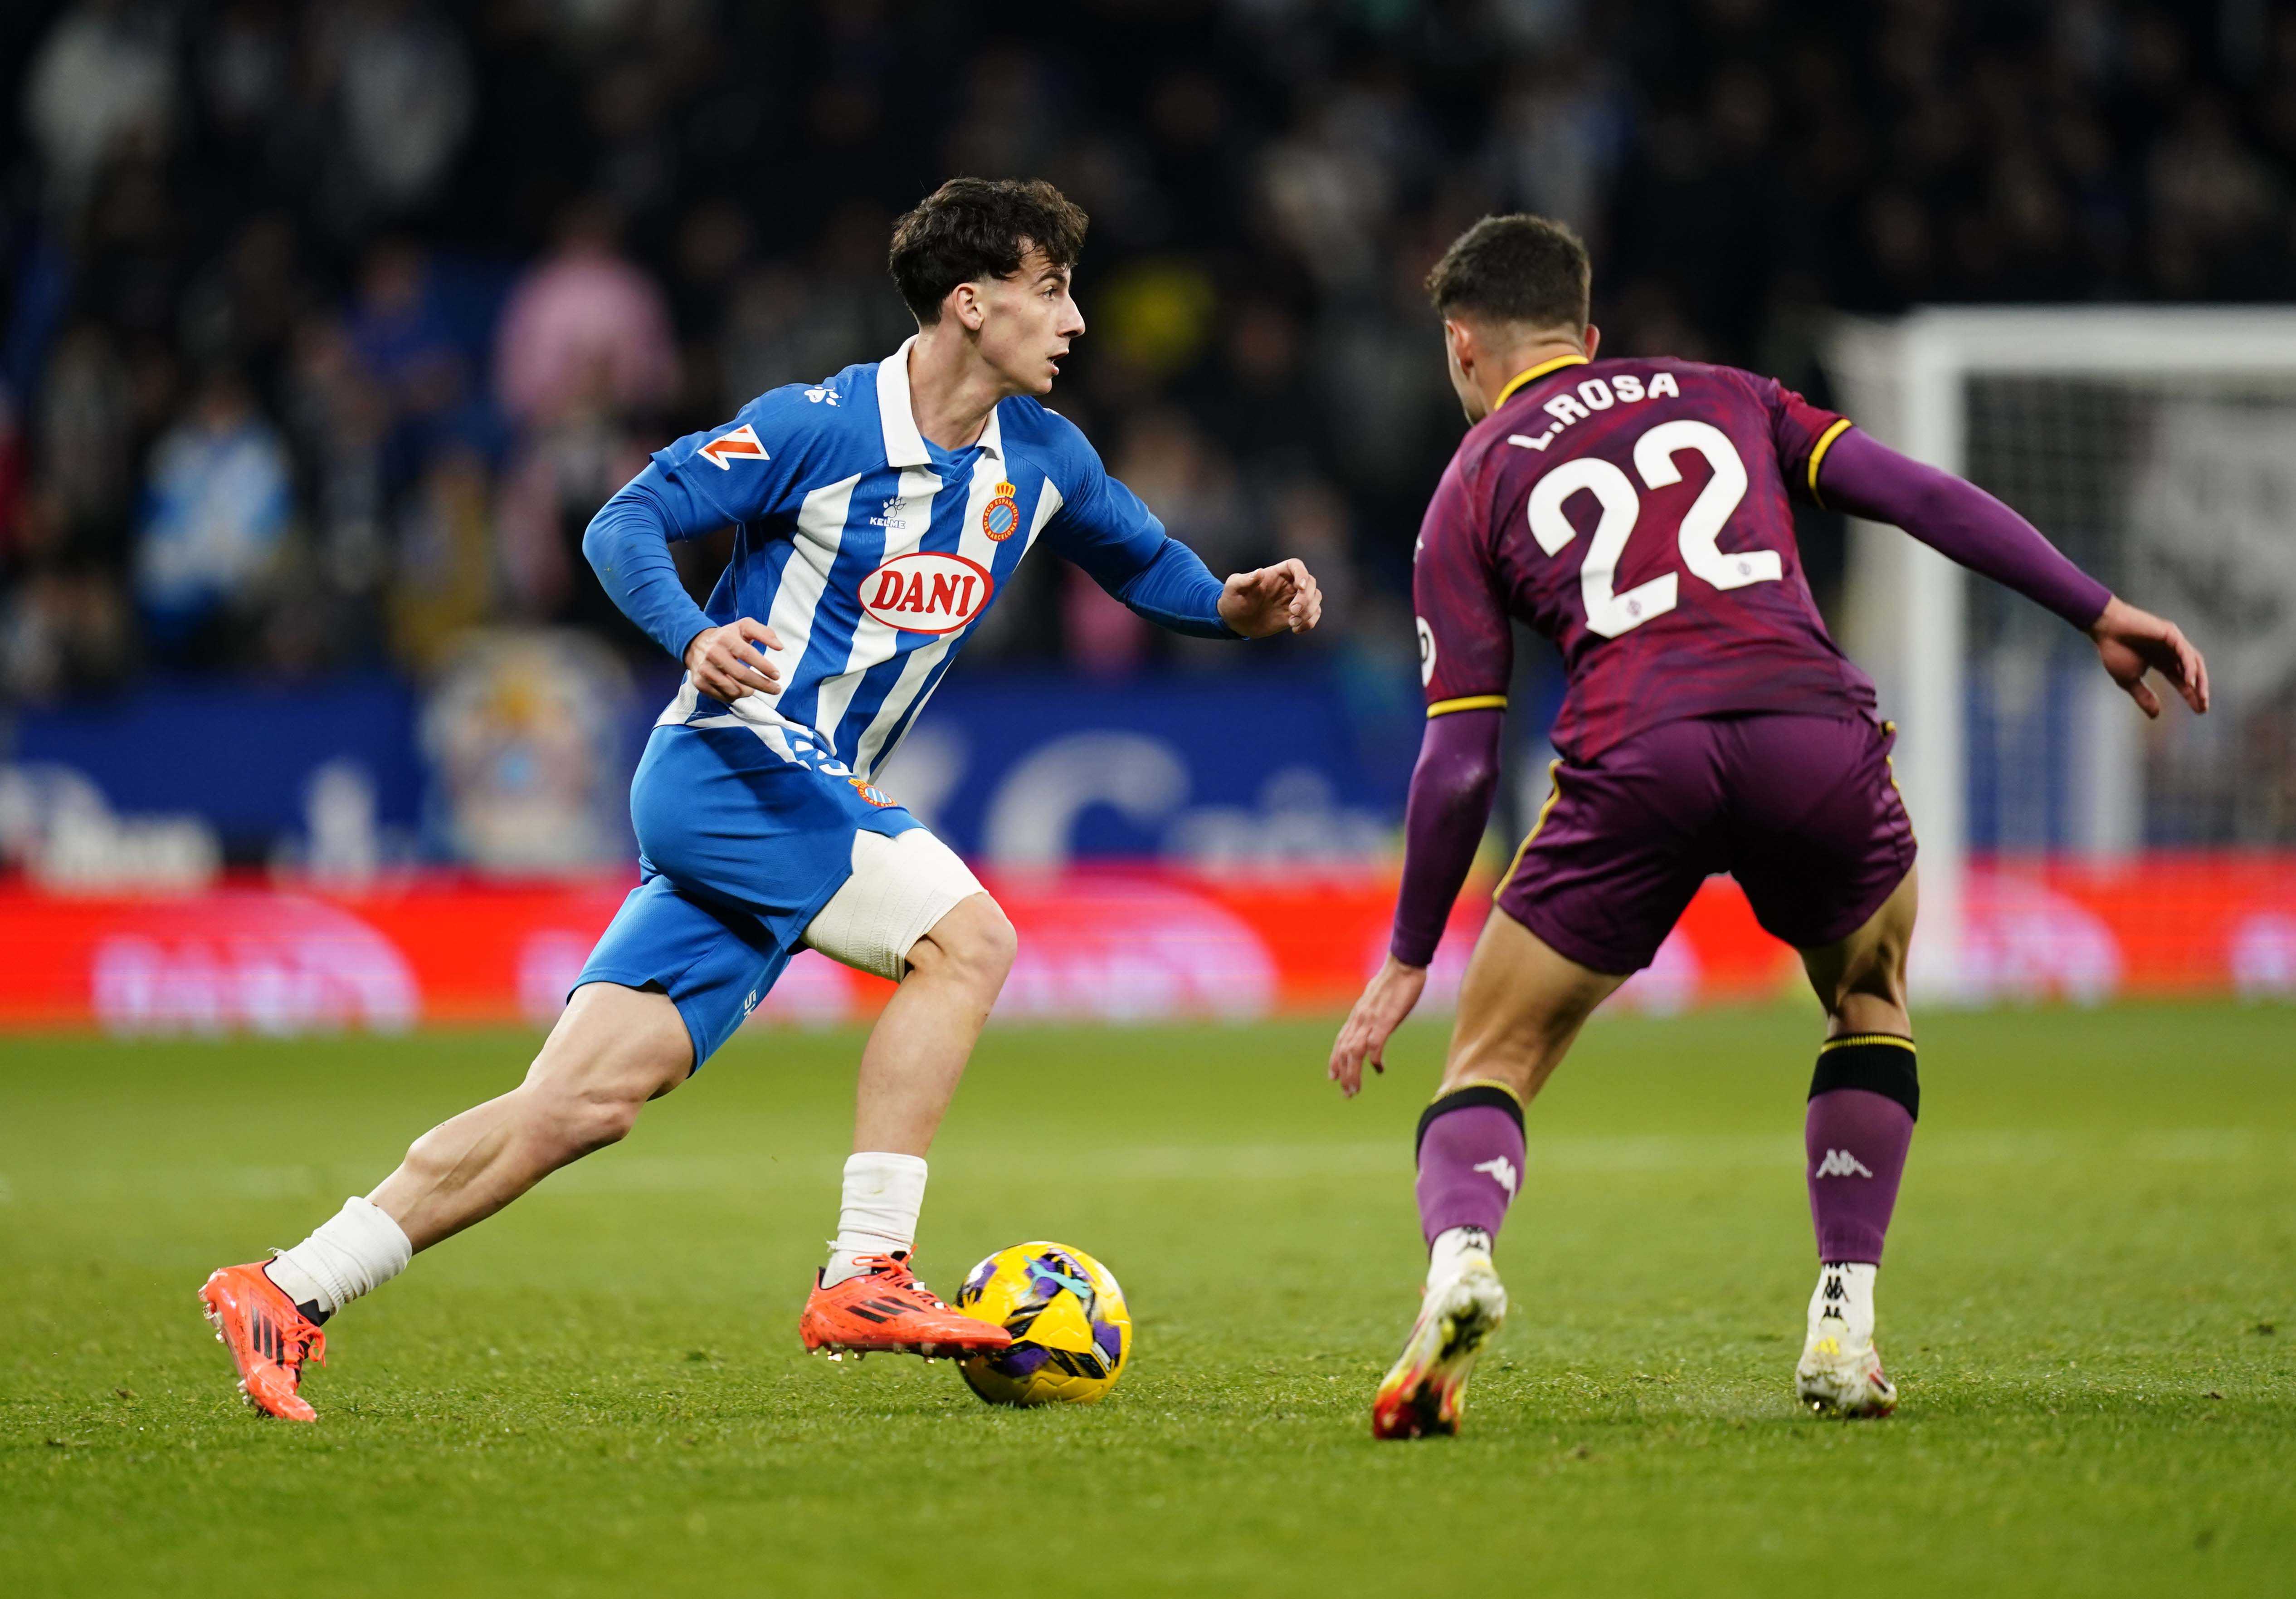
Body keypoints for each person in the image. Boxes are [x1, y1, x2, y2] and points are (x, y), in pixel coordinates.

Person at [200, 177, 1323, 1422]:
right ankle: (867, 1268)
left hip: (796, 809)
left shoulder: (1045, 457)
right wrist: (692, 633)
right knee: (970, 942)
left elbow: (1144, 560)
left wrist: (1230, 605)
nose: (1075, 320)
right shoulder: (819, 427)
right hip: (732, 765)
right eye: (1050, 290)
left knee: (578, 1105)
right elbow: (625, 521)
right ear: (970, 304)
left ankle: (287, 1287)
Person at [1329, 214, 2207, 1440]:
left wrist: (1410, 953)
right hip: (1810, 734)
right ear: (1588, 334)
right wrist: (2095, 607)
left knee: (1495, 1055)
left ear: (1463, 346)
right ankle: (1844, 1319)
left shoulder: (1471, 482)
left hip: (1640, 753)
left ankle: (1462, 1266)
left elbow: (1463, 753)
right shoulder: (1730, 394)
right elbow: (1917, 495)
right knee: (1868, 996)